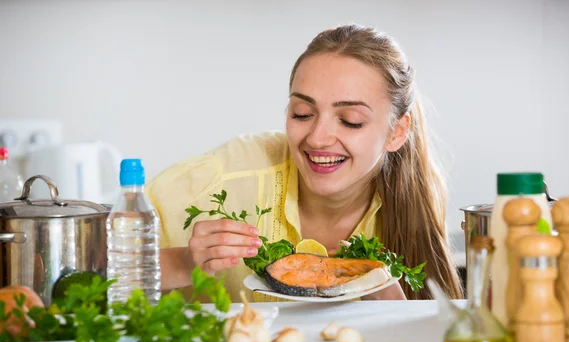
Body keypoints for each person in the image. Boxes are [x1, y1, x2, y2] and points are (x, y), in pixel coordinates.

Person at [147, 24, 463, 303]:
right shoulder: (228, 175)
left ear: (397, 132)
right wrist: (183, 262)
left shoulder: (411, 203)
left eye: (350, 121)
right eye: (302, 113)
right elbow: (101, 267)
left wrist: (394, 316)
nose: (317, 138)